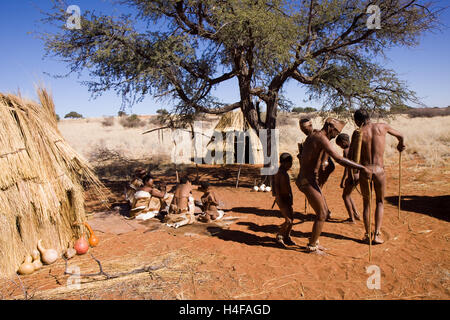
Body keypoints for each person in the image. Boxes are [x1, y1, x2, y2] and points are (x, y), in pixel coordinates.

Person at [295, 118, 372, 254]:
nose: (336, 135)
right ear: (330, 127)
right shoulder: (321, 138)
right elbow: (338, 159)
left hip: (308, 179)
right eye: (336, 131)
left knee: (323, 211)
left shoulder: (316, 135)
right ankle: (312, 246)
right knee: (322, 213)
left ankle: (315, 242)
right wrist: (362, 168)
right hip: (306, 181)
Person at [353, 109, 405, 244]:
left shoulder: (358, 133)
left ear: (358, 121)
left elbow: (354, 156)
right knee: (380, 202)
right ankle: (377, 234)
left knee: (366, 203)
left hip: (365, 171)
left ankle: (366, 233)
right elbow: (401, 135)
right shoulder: (383, 126)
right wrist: (401, 144)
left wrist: (355, 172)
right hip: (379, 170)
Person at [298, 118, 334, 221]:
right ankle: (325, 212)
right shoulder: (309, 137)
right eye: (301, 128)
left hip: (323, 166)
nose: (303, 130)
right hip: (317, 167)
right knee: (317, 189)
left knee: (317, 189)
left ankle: (324, 213)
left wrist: (321, 164)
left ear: (310, 125)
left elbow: (325, 150)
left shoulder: (317, 135)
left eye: (305, 128)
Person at [336, 133, 361, 223]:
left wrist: (343, 180)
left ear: (344, 142)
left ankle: (351, 218)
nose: (341, 147)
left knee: (345, 196)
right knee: (348, 194)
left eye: (340, 145)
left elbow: (347, 167)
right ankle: (356, 214)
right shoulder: (357, 148)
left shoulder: (346, 151)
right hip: (359, 175)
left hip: (352, 176)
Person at [273, 153, 296, 247]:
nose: (291, 165)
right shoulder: (279, 173)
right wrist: (279, 198)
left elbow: (288, 187)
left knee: (292, 219)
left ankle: (287, 236)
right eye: (290, 163)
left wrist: (290, 198)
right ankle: (279, 236)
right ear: (284, 163)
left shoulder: (285, 173)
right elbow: (277, 187)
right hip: (281, 198)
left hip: (287, 198)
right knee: (288, 220)